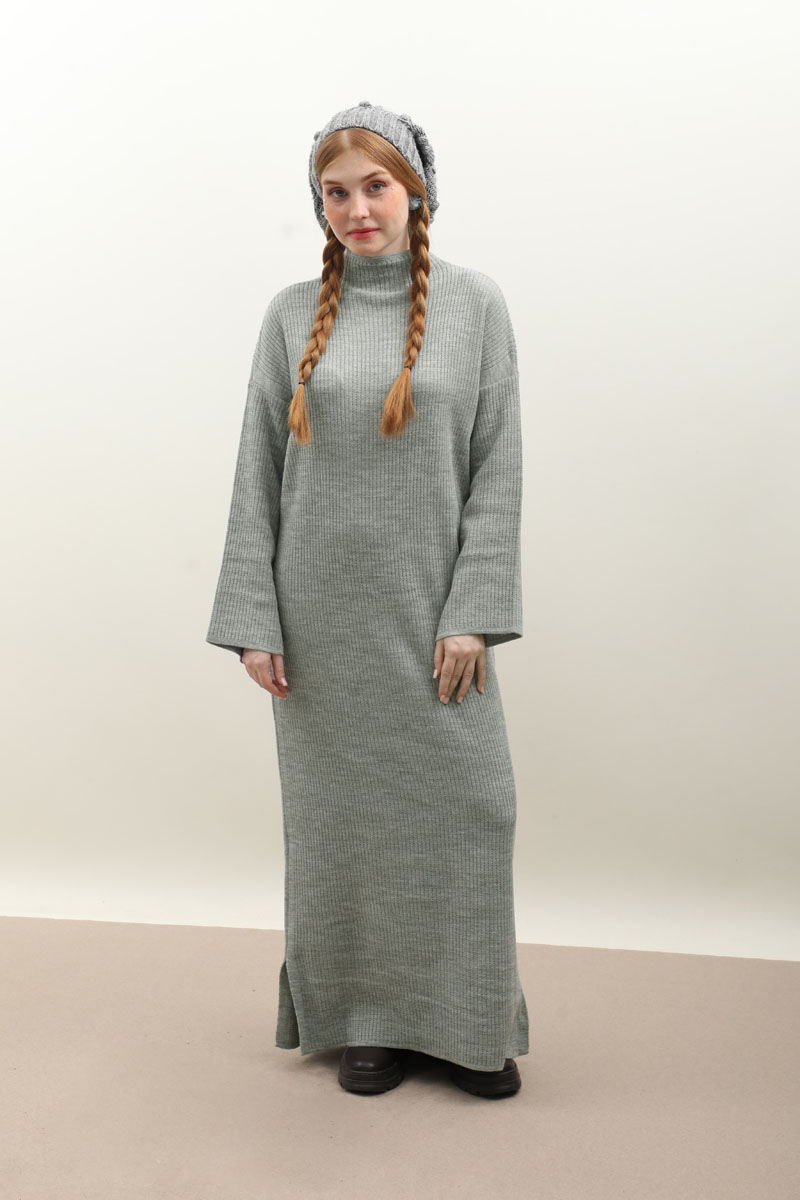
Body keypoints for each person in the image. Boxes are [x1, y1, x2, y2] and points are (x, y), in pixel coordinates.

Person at [206, 101, 528, 1099]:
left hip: (432, 620)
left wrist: (473, 612)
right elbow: (256, 472)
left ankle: (470, 1024)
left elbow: (498, 470)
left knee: (474, 810)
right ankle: (364, 1022)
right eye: (335, 192)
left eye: (375, 186)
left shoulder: (474, 307)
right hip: (320, 630)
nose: (356, 208)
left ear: (415, 192)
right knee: (341, 832)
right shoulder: (289, 315)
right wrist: (253, 619)